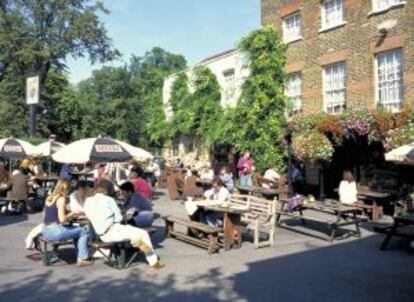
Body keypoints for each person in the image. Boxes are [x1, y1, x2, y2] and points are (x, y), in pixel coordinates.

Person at [83, 183, 164, 269]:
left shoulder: (87, 201)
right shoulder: (109, 199)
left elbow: (89, 217)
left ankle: (136, 242)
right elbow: (119, 218)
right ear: (105, 192)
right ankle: (153, 262)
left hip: (102, 234)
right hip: (113, 230)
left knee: (134, 232)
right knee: (143, 233)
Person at [41, 179, 93, 266]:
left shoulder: (50, 197)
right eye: (69, 189)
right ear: (66, 188)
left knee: (76, 231)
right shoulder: (61, 199)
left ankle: (80, 254)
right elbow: (62, 219)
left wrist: (66, 211)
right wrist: (73, 213)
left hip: (45, 230)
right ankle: (82, 258)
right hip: (55, 232)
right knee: (83, 231)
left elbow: (44, 215)